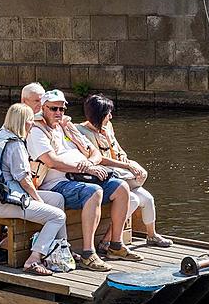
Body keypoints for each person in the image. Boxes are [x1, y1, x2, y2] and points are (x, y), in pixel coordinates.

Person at [27, 90, 142, 272]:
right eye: (53, 109)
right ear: (43, 108)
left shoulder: (66, 126)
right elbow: (51, 161)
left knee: (121, 187)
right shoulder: (37, 130)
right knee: (93, 191)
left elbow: (93, 151)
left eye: (62, 109)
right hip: (57, 183)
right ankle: (88, 254)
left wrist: (90, 164)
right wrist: (87, 168)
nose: (58, 113)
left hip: (82, 176)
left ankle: (115, 245)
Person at [0, 103, 69, 276]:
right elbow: (25, 180)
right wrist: (37, 200)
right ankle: (34, 259)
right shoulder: (15, 145)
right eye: (30, 121)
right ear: (22, 122)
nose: (32, 124)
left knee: (58, 199)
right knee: (57, 216)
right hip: (3, 201)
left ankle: (59, 250)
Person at [77, 95, 173, 249]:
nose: (111, 116)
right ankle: (108, 241)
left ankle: (151, 235)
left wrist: (130, 163)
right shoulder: (80, 131)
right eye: (108, 114)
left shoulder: (108, 127)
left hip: (119, 172)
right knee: (133, 199)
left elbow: (118, 150)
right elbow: (99, 158)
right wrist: (126, 167)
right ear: (99, 115)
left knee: (147, 198)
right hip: (104, 176)